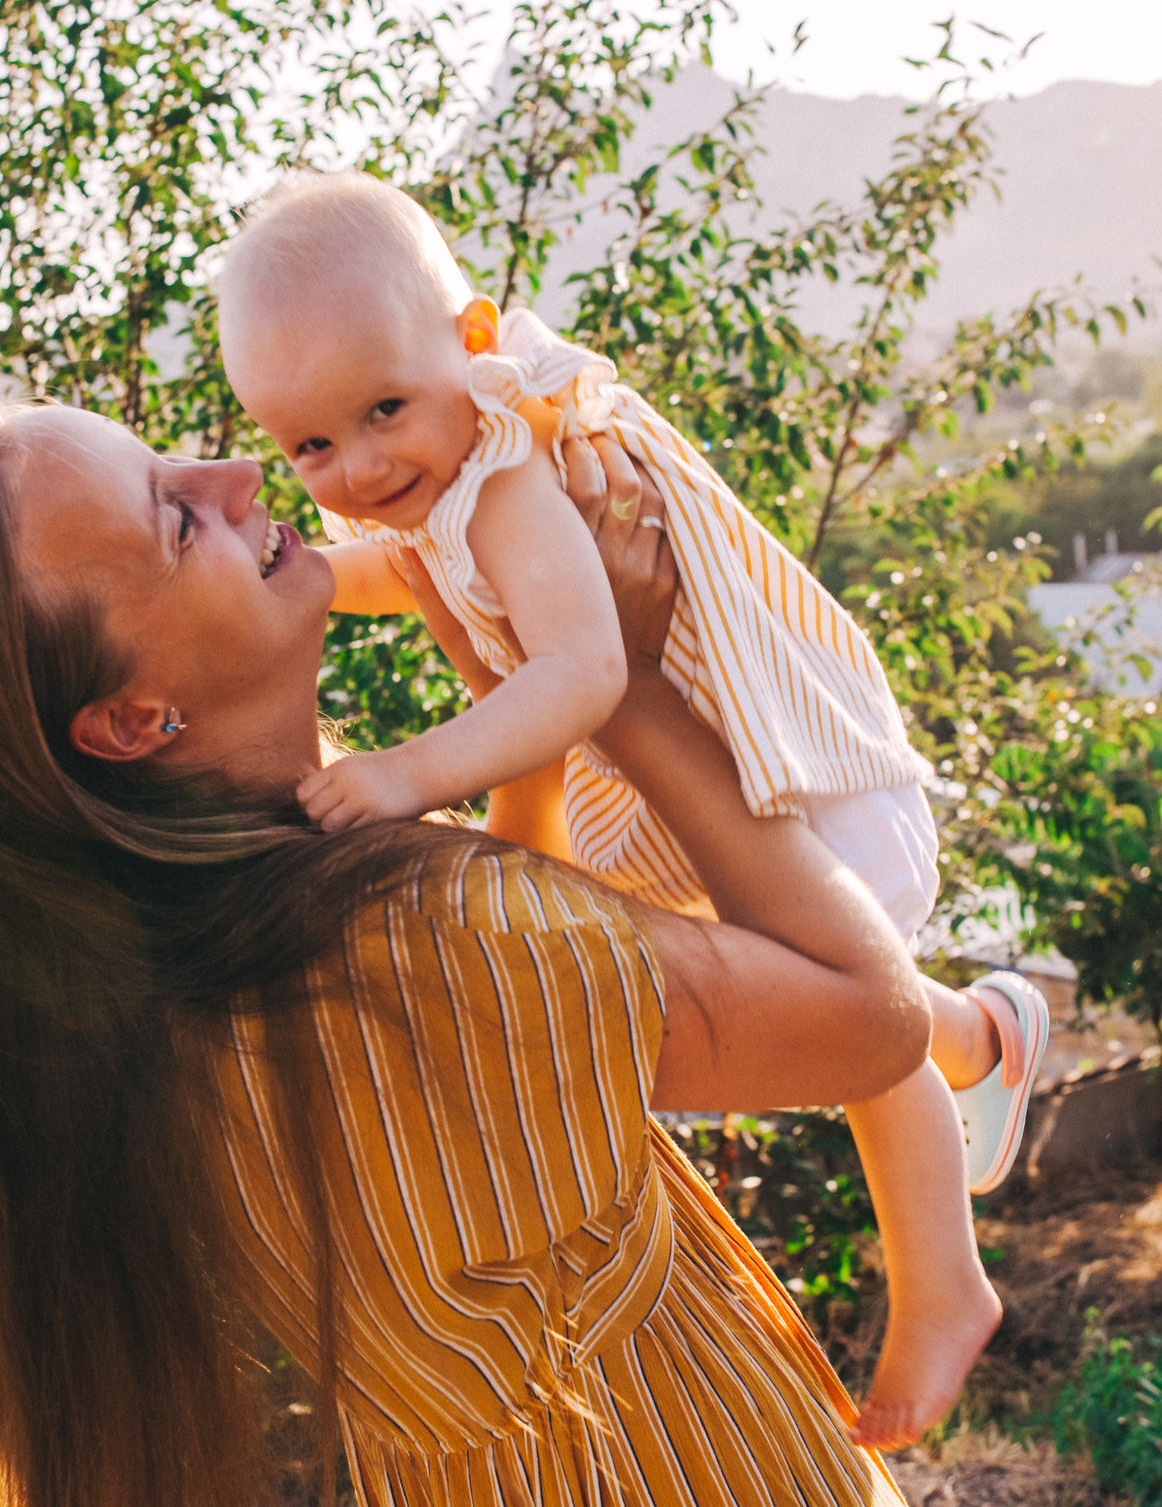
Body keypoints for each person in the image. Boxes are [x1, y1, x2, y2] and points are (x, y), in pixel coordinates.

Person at [0, 401, 943, 1507]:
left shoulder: (144, 979)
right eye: (173, 517)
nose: (235, 475)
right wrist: (631, 689)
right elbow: (868, 1020)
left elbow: (500, 1098)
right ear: (125, 717)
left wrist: (527, 760)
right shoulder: (417, 928)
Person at [215, 173, 1048, 1441]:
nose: (361, 465)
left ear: (476, 342)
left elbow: (583, 671)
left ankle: (944, 1282)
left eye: (381, 409)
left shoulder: (504, 476)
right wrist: (306, 578)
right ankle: (986, 1035)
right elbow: (405, 562)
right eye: (312, 446)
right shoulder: (448, 471)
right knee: (830, 999)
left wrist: (406, 771)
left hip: (783, 765)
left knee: (855, 1029)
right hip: (708, 781)